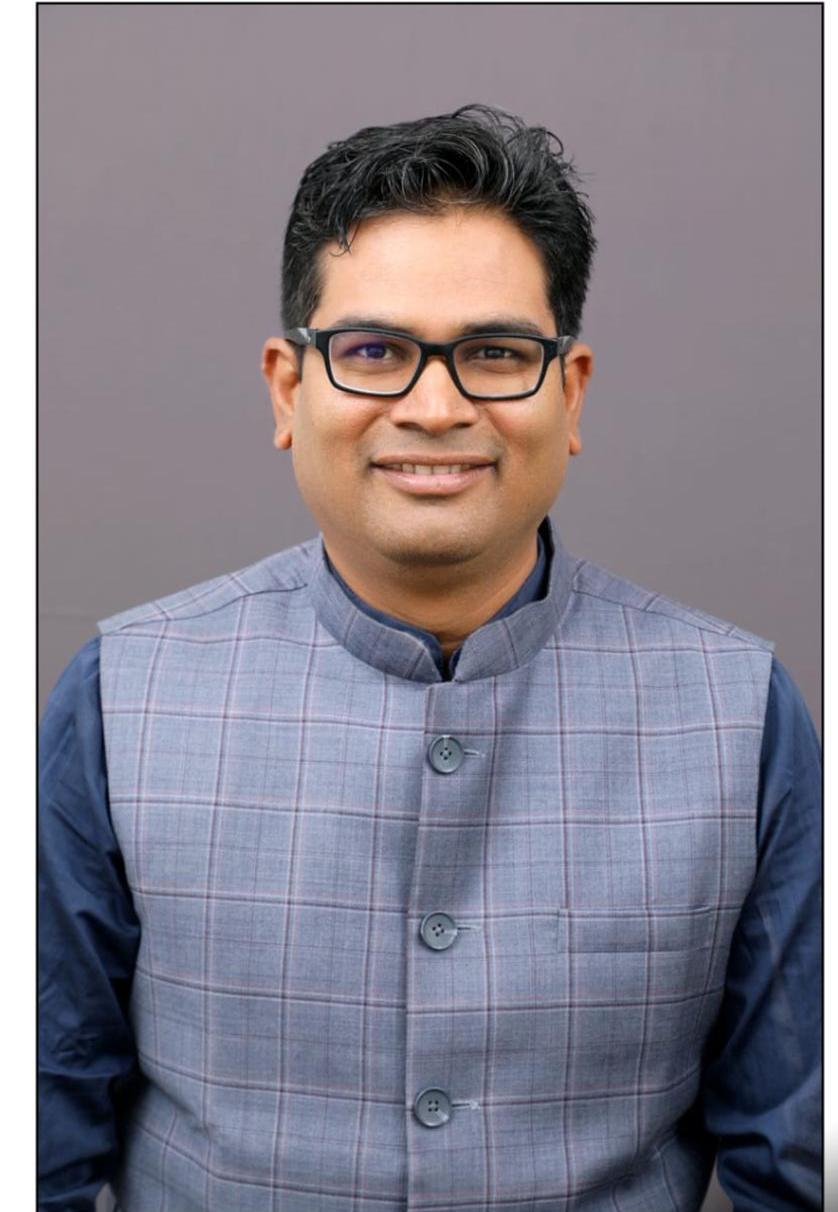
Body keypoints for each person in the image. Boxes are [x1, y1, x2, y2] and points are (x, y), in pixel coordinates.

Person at [39, 104, 821, 1212]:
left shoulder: (740, 714)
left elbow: (792, 1160)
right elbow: (37, 1137)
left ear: (571, 390)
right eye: (374, 352)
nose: (437, 407)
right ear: (287, 387)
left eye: (496, 354)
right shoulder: (122, 696)